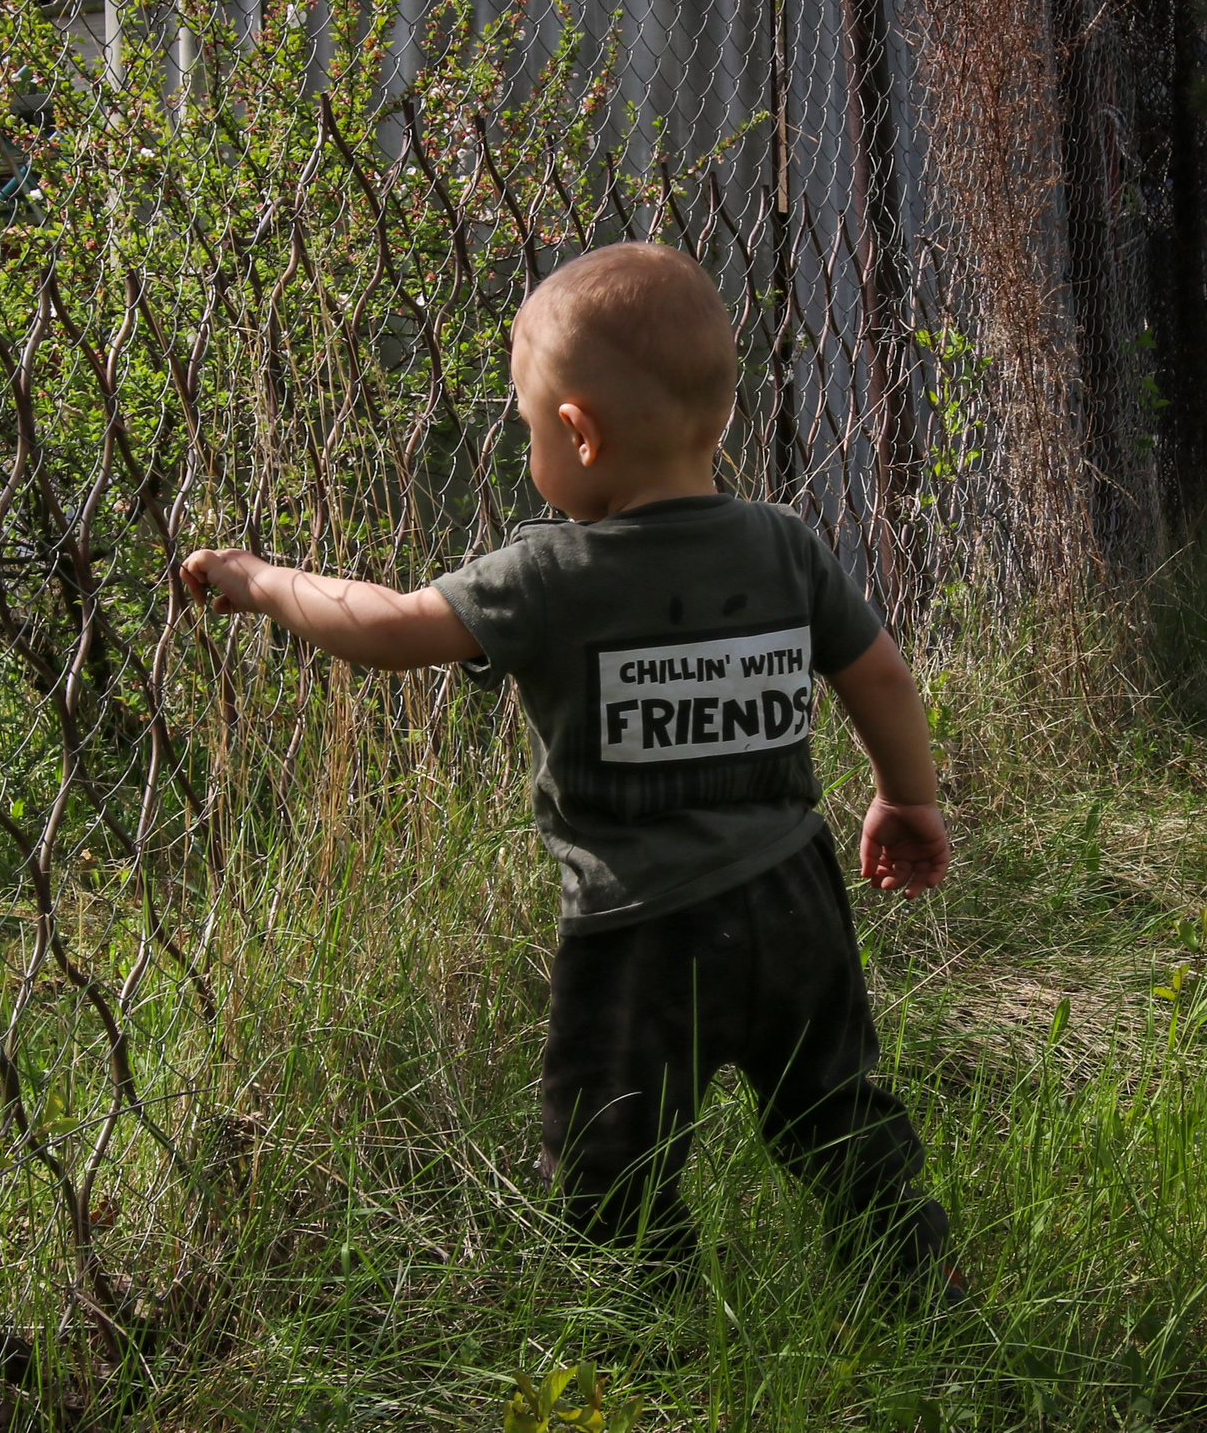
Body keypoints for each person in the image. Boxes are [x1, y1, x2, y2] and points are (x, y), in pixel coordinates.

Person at [181, 241, 959, 1301]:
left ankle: (644, 1340)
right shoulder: (783, 546)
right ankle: (916, 1283)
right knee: (835, 1112)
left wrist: (262, 578)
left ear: (576, 433)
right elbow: (877, 674)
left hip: (637, 932)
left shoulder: (549, 575)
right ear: (719, 416)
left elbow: (383, 626)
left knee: (607, 1161)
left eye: (521, 423)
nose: (521, 444)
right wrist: (902, 798)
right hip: (794, 899)